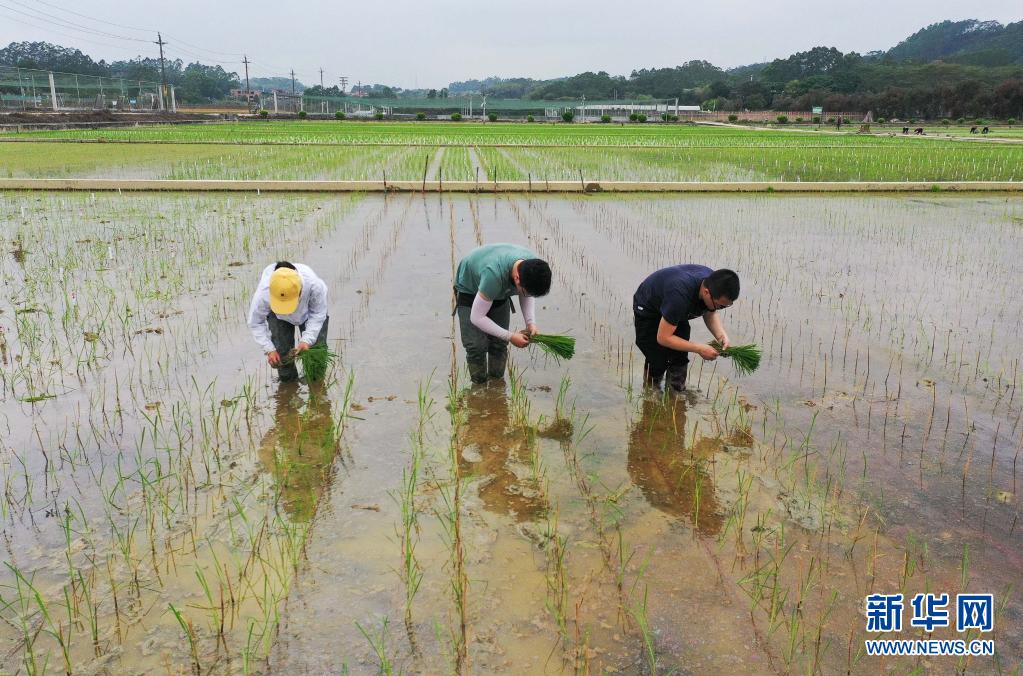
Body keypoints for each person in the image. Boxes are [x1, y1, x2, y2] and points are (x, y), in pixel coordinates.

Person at [453, 243, 552, 384]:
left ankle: (496, 387)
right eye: (524, 291)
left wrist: (531, 323)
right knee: (476, 346)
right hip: (470, 289)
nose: (527, 295)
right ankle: (479, 388)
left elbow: (527, 294)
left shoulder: (532, 267)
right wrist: (511, 336)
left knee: (499, 344)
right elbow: (477, 317)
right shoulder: (493, 274)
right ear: (517, 278)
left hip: (498, 289)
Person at [632, 266, 740, 392]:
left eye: (725, 306)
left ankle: (675, 393)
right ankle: (651, 391)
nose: (720, 308)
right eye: (720, 305)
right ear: (706, 292)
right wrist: (699, 348)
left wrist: (722, 336)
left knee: (679, 356)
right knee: (657, 358)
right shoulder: (679, 296)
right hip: (649, 308)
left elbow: (710, 312)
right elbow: (663, 338)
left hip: (674, 307)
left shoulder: (715, 285)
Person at [248, 261, 329, 383]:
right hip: (277, 316)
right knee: (281, 355)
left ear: (301, 290)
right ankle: (289, 387)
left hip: (309, 313)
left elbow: (318, 314)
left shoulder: (314, 285)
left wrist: (306, 340)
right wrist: (269, 349)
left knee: (315, 355)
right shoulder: (264, 293)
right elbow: (255, 322)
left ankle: (316, 386)